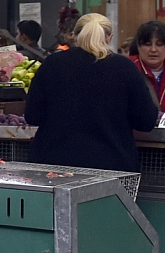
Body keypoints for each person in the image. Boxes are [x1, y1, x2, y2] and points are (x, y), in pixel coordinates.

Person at [25, 13, 157, 172]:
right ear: (109, 37)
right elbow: (146, 121)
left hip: (53, 166)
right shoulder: (124, 67)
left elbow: (33, 115)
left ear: (74, 35)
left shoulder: (52, 64)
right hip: (111, 168)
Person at [132, 20, 165, 112]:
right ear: (138, 46)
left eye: (159, 44)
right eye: (147, 44)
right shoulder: (126, 68)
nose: (153, 50)